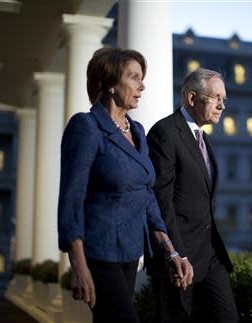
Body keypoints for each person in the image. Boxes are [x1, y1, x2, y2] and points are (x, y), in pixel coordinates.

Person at [57, 47, 193, 323]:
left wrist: (170, 251)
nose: (142, 85)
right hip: (98, 254)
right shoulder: (86, 127)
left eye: (142, 77)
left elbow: (147, 196)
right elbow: (71, 199)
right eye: (133, 77)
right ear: (109, 83)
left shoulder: (138, 131)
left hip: (131, 253)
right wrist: (79, 265)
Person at [146, 68, 239, 323]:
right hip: (179, 256)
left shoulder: (202, 138)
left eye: (224, 99)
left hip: (210, 256)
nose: (222, 105)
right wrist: (175, 253)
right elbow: (160, 200)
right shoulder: (164, 133)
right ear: (191, 98)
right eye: (216, 98)